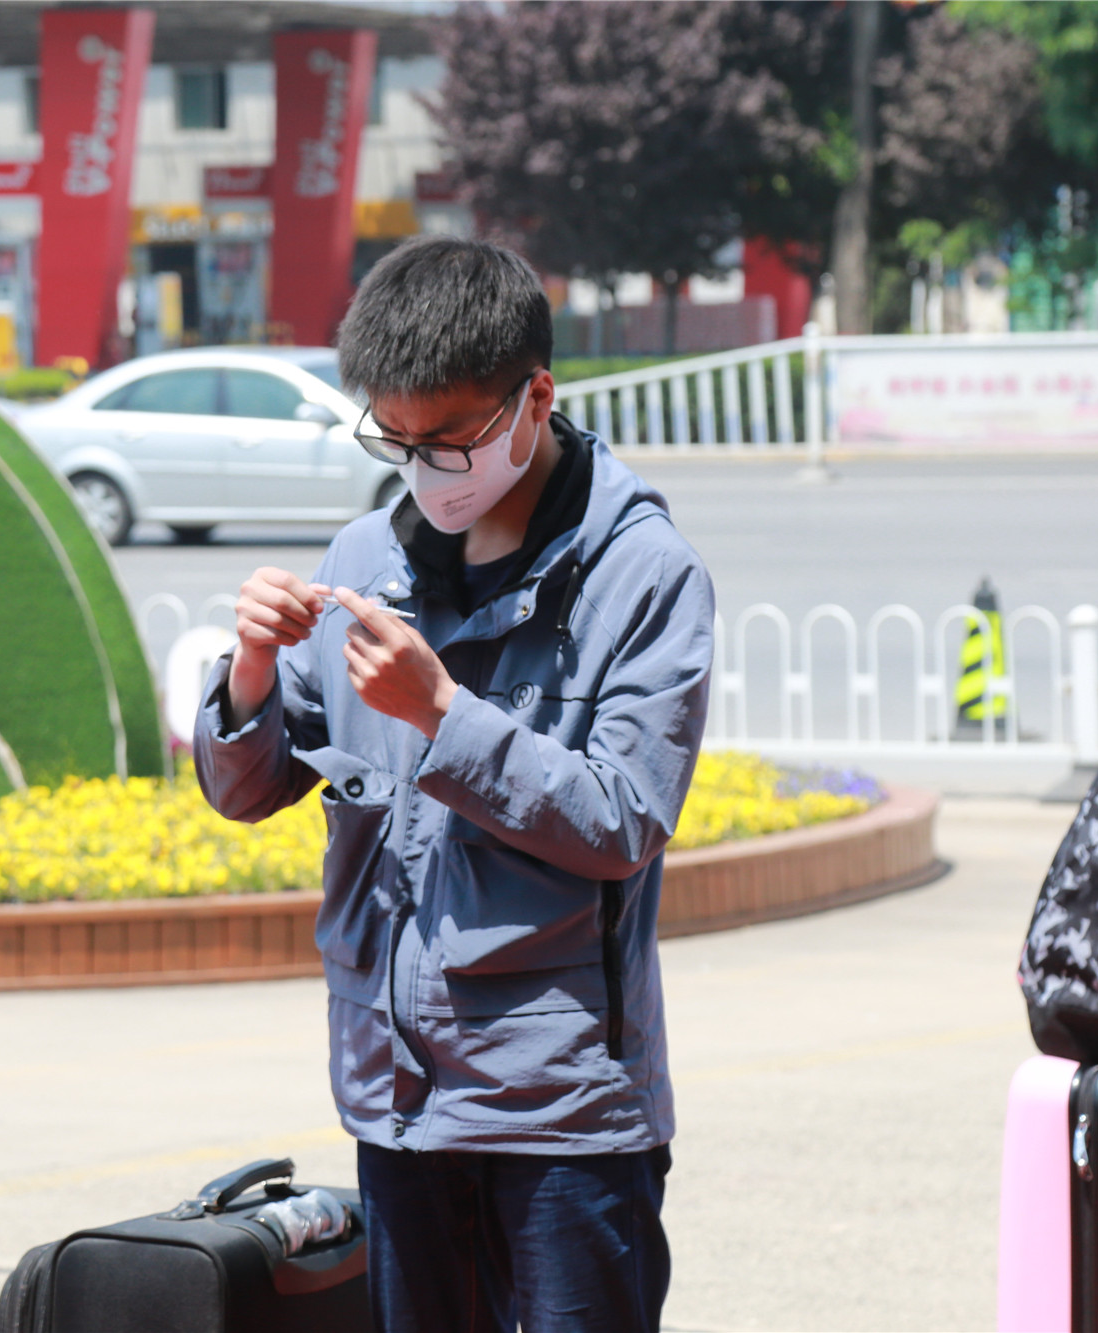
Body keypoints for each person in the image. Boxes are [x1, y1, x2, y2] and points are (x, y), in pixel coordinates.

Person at [193, 235, 714, 1332]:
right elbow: (248, 787)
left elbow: (622, 820)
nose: (426, 467)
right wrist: (245, 671)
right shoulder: (359, 561)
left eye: (451, 438)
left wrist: (442, 715)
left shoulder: (643, 575)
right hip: (397, 1097)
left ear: (535, 396)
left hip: (562, 1106)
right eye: (398, 438)